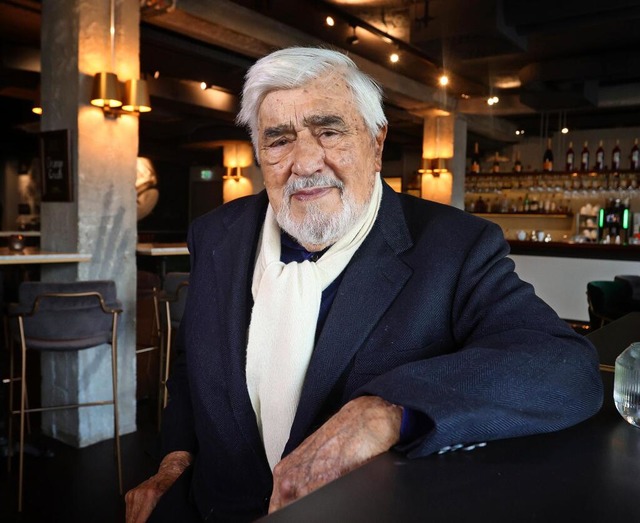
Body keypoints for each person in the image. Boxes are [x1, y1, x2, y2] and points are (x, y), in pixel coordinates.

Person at [126, 47, 603, 522]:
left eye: (329, 132)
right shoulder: (215, 234)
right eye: (279, 140)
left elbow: (564, 367)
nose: (305, 162)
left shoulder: (455, 246)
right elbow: (193, 365)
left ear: (376, 144)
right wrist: (173, 463)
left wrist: (385, 412)